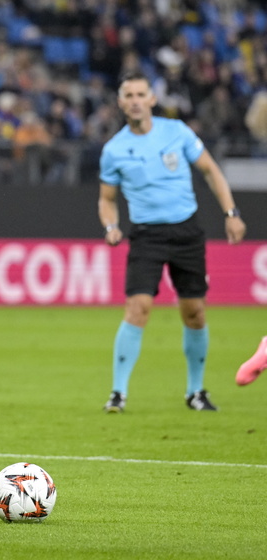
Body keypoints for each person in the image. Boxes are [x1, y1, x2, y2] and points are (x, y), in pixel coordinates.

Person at [98, 70, 247, 413]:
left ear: (152, 99)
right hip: (147, 234)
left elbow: (210, 170)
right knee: (138, 308)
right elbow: (107, 199)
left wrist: (231, 213)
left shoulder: (176, 131)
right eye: (129, 96)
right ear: (121, 103)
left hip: (186, 232)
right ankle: (118, 394)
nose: (135, 101)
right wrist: (111, 227)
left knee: (194, 312)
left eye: (141, 95)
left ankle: (196, 392)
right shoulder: (115, 149)